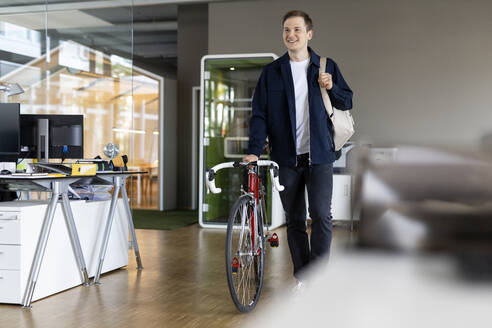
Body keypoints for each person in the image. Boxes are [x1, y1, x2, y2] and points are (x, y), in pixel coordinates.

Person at [243, 10, 353, 287]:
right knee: (294, 220)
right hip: (285, 158)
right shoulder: (272, 73)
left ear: (309, 34)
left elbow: (347, 101)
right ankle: (303, 278)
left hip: (320, 156)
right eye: (286, 30)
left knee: (321, 214)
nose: (291, 35)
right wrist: (255, 150)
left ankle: (318, 277)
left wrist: (332, 87)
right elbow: (259, 115)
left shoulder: (326, 66)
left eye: (296, 30)